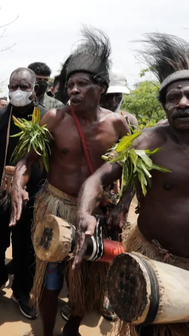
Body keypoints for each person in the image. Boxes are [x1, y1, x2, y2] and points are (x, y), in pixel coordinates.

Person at [10, 28, 130, 336]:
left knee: (86, 281)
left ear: (100, 88)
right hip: (56, 210)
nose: (73, 90)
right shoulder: (54, 119)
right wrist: (18, 184)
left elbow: (134, 171)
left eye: (82, 84)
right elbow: (28, 160)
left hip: (98, 215)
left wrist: (123, 206)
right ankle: (48, 332)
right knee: (51, 279)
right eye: (70, 84)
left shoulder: (118, 125)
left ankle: (72, 328)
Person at [75, 33, 189, 336]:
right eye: (173, 98)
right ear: (164, 105)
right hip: (155, 262)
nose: (183, 103)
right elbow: (98, 178)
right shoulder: (149, 139)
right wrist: (85, 213)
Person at [0, 67, 45, 320]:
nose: (17, 92)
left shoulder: (45, 122)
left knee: (25, 246)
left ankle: (22, 290)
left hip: (31, 196)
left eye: (24, 87)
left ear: (34, 90)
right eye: (13, 86)